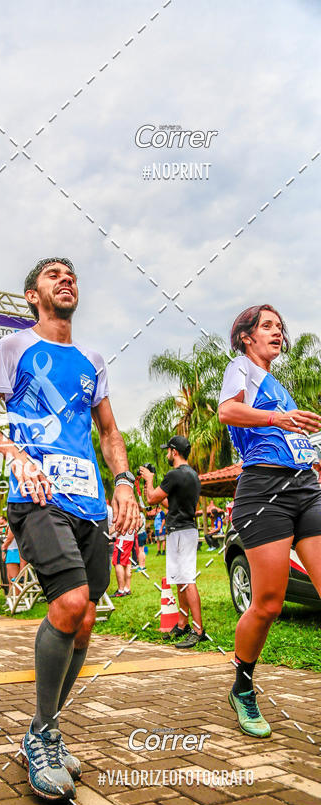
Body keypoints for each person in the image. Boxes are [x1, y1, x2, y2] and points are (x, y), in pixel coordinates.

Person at [0, 256, 139, 803]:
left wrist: (124, 482)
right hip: (37, 497)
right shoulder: (13, 347)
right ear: (31, 295)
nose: (66, 279)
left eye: (71, 275)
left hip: (89, 504)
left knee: (84, 622)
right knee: (70, 603)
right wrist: (16, 455)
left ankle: (46, 730)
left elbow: (109, 432)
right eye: (53, 275)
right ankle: (41, 736)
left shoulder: (92, 360)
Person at [218, 304, 321, 738]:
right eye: (267, 326)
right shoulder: (240, 368)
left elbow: (294, 439)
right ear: (247, 336)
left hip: (305, 487)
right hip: (264, 492)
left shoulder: (279, 386)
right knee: (268, 605)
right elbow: (227, 412)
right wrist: (279, 418)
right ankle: (243, 687)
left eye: (279, 326)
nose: (277, 332)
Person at [140, 436, 204, 648]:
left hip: (180, 532)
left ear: (174, 452)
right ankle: (182, 624)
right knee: (179, 579)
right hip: (185, 529)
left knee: (187, 580)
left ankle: (198, 630)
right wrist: (156, 493)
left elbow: (151, 498)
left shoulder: (174, 474)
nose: (167, 454)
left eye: (168, 450)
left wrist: (149, 479)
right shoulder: (192, 475)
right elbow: (170, 503)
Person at [112, 528, 134, 597]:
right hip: (130, 538)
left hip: (122, 538)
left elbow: (119, 525)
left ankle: (121, 590)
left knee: (118, 562)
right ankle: (127, 588)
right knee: (127, 562)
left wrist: (108, 533)